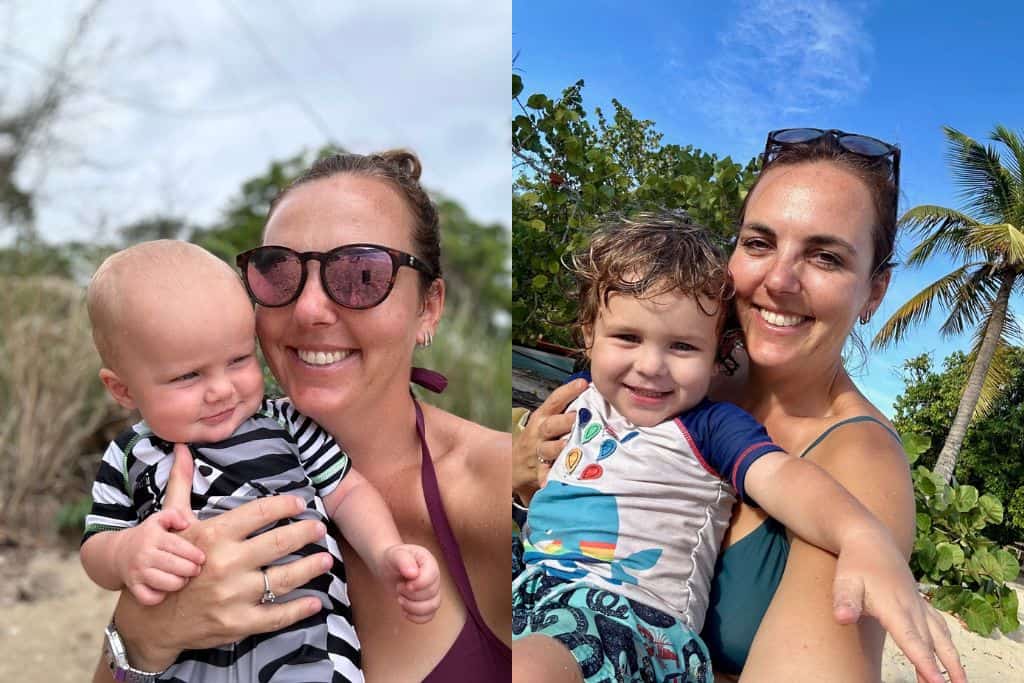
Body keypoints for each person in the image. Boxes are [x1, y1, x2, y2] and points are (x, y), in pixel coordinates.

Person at [513, 129, 967, 682]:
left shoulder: (856, 463)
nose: (779, 279)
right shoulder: (670, 382)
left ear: (874, 291)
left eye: (825, 257)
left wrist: (864, 535)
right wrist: (522, 473)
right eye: (758, 243)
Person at [91, 151, 511, 682]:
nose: (310, 309)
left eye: (362, 273)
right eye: (280, 271)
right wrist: (146, 634)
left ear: (428, 307)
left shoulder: (497, 489)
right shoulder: (177, 465)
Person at [82, 240, 441, 681]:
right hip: (189, 663)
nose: (221, 390)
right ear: (122, 390)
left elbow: (347, 493)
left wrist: (386, 552)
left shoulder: (287, 423)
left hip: (304, 651)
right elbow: (97, 544)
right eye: (187, 376)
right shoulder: (129, 454)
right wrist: (126, 554)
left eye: (238, 360)